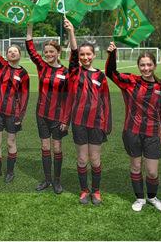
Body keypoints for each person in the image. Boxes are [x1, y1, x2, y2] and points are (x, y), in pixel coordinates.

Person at [106, 41, 161, 212]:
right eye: (142, 65)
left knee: (151, 172)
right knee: (135, 166)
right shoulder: (130, 81)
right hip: (132, 132)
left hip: (152, 133)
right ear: (138, 66)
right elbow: (110, 72)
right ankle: (140, 198)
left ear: (155, 65)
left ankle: (152, 197)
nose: (146, 68)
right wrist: (112, 54)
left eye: (149, 64)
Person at [65, 19, 111, 205]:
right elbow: (74, 54)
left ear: (94, 55)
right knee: (82, 158)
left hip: (96, 123)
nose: (84, 57)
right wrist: (72, 33)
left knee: (95, 159)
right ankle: (84, 190)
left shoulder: (100, 76)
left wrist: (106, 124)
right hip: (79, 123)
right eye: (82, 54)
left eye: (88, 54)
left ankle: (96, 191)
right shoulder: (75, 72)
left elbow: (106, 101)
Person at [0, 19, 29, 183]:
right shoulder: (1, 65)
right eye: (10, 51)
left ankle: (10, 171)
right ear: (7, 55)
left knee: (10, 143)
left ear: (19, 55)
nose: (13, 53)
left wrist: (19, 117)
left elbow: (24, 97)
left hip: (12, 114)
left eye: (15, 51)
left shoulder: (24, 74)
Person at [25, 23, 69, 194]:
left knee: (57, 148)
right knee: (45, 147)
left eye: (52, 51)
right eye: (46, 52)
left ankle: (57, 181)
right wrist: (30, 28)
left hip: (58, 116)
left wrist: (66, 120)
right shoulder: (42, 66)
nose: (49, 54)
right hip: (42, 114)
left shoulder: (66, 72)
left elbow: (69, 99)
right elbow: (30, 49)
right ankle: (47, 180)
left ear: (58, 53)